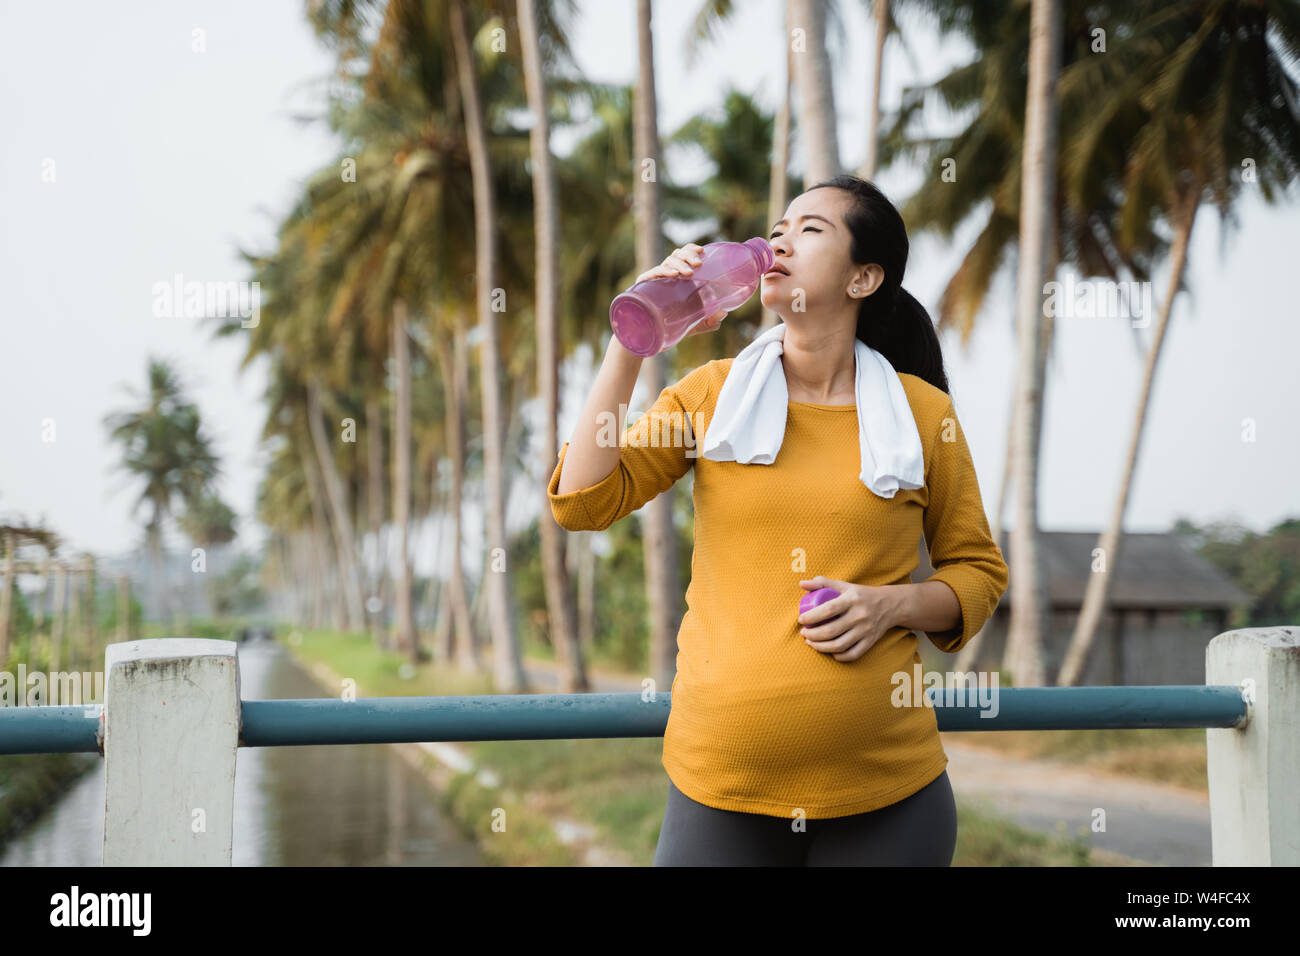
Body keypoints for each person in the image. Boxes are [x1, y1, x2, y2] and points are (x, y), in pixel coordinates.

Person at [547, 175, 1009, 866]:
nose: (781, 238)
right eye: (782, 225)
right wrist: (634, 333)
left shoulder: (922, 415)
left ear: (863, 278)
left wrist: (892, 606)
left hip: (889, 796)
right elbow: (583, 500)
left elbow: (978, 572)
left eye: (812, 228)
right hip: (718, 790)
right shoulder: (711, 397)